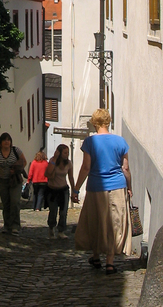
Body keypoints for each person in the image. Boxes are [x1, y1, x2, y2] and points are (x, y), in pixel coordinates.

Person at [71, 108, 132, 275]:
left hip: (96, 187)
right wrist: (130, 187)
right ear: (108, 121)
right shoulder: (120, 141)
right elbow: (125, 168)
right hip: (118, 186)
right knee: (114, 223)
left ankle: (96, 256)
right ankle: (110, 263)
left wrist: (76, 188)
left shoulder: (90, 143)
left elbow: (86, 167)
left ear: (94, 123)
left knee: (96, 221)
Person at [0, 132, 27, 236]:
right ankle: (7, 225)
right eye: (4, 140)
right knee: (6, 204)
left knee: (15, 202)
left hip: (15, 180)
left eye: (8, 140)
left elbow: (24, 162)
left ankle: (15, 226)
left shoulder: (16, 151)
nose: (7, 142)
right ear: (0, 142)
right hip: (2, 181)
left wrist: (16, 169)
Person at [45, 144, 75, 239]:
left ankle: (61, 230)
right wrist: (54, 158)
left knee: (63, 211)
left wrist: (74, 190)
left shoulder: (69, 163)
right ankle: (51, 228)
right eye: (65, 152)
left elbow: (71, 177)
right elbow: (48, 173)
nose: (66, 154)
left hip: (63, 189)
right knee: (53, 210)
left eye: (68, 152)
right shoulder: (53, 161)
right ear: (59, 152)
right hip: (52, 189)